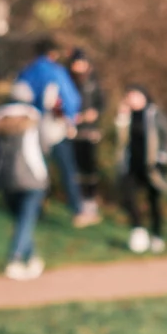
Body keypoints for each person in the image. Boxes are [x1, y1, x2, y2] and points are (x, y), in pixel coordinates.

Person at [0, 80, 50, 280]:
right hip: (32, 178)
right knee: (26, 220)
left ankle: (33, 258)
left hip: (6, 179)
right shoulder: (32, 120)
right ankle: (15, 258)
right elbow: (42, 148)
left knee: (22, 220)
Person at [18, 35, 85, 221]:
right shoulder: (56, 72)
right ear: (52, 54)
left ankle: (36, 209)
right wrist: (71, 120)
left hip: (31, 129)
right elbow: (71, 99)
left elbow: (18, 95)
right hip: (54, 129)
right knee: (67, 170)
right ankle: (78, 210)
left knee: (38, 170)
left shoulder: (27, 71)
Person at [114, 85, 167, 253]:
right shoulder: (125, 117)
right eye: (130, 96)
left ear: (144, 97)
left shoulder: (154, 114)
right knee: (128, 198)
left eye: (136, 96)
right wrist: (121, 119)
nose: (132, 100)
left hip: (151, 166)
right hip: (130, 166)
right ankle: (138, 230)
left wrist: (163, 156)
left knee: (154, 202)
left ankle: (157, 235)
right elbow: (120, 141)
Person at [67, 49, 104, 226]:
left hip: (89, 132)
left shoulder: (93, 83)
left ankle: (90, 204)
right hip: (72, 132)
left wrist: (95, 114)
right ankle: (79, 205)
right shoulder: (68, 82)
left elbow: (101, 103)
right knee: (75, 170)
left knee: (90, 170)